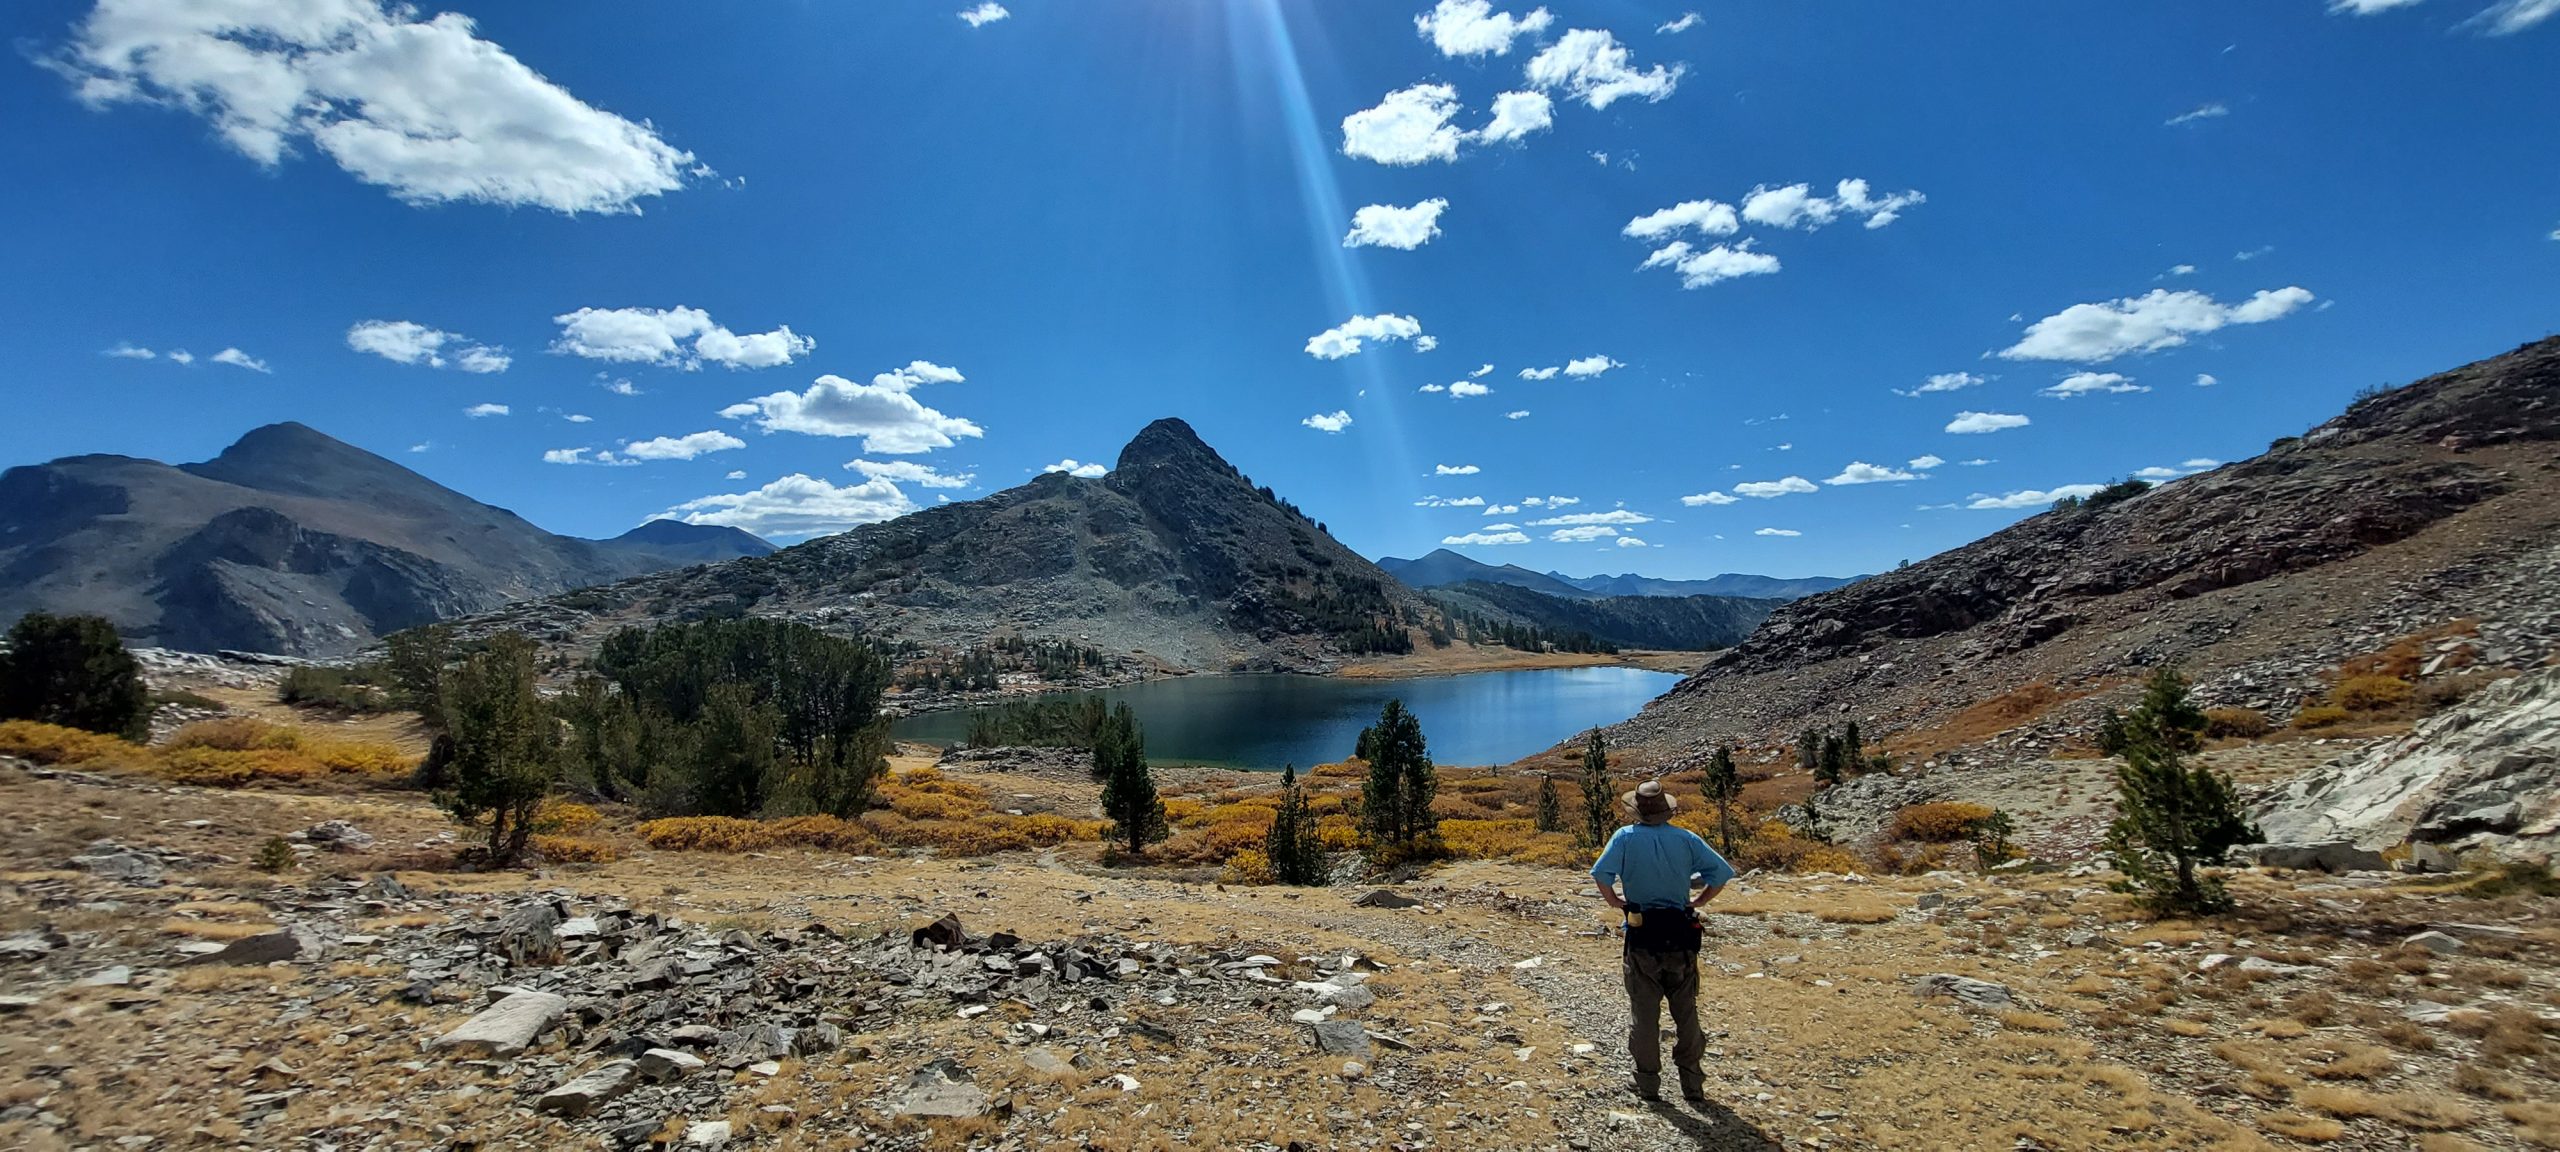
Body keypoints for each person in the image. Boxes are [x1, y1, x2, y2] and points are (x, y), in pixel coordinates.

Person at [1590, 779, 1736, 1104]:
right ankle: (1693, 1085)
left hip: (1642, 932)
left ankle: (1647, 1085)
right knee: (1686, 1012)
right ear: (1666, 811)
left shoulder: (1624, 837)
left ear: (1637, 810)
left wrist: (1616, 903)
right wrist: (1699, 902)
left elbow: (1601, 875)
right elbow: (1722, 874)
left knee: (1644, 1014)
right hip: (1681, 933)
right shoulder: (1686, 838)